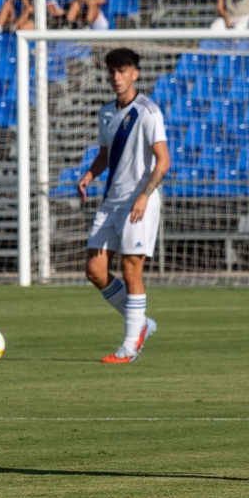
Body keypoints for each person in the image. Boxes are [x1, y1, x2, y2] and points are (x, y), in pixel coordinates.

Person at [75, 47, 169, 364]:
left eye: (123, 70)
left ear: (135, 73)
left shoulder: (148, 112)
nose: (116, 77)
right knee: (95, 270)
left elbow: (163, 160)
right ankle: (140, 321)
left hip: (138, 202)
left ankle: (130, 346)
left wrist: (144, 195)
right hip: (111, 201)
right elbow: (105, 155)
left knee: (131, 270)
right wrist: (89, 174)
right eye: (112, 71)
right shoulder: (105, 112)